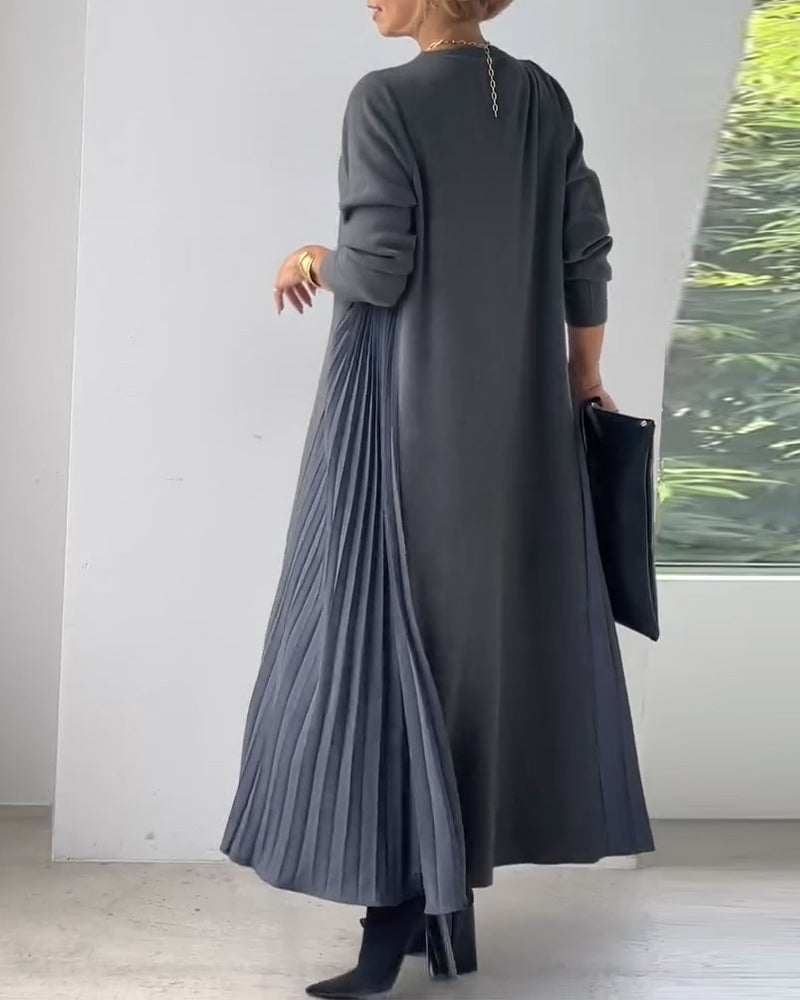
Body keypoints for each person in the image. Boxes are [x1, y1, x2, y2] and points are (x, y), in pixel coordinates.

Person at [222, 0, 654, 997]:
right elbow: (582, 255)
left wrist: (308, 257)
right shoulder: (541, 98)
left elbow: (377, 272)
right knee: (467, 647)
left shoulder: (385, 98)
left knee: (382, 641)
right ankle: (439, 907)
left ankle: (391, 917)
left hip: (404, 409)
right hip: (518, 424)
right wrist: (584, 378)